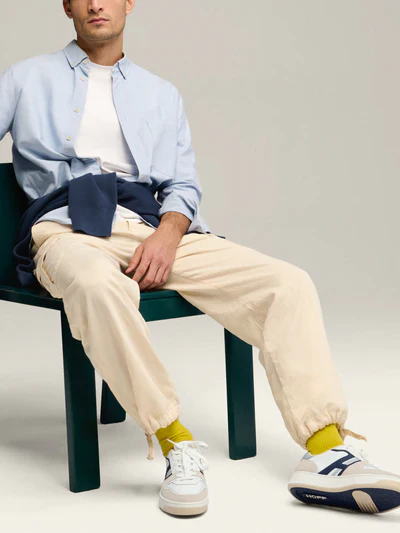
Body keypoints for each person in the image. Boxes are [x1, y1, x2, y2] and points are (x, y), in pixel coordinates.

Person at [1, 0, 400, 517]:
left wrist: (168, 235)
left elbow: (182, 185)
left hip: (150, 228)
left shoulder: (160, 93)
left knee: (286, 282)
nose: (96, 4)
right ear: (67, 6)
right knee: (98, 286)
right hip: (67, 230)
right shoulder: (25, 78)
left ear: (129, 3)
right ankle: (176, 445)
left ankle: (326, 453)